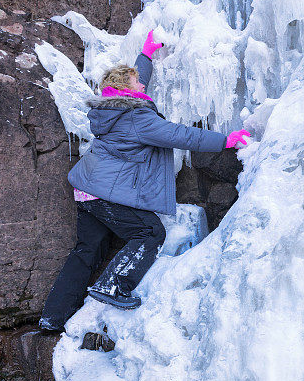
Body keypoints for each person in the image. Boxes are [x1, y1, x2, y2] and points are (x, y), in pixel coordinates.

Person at [39, 31, 250, 333]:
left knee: (86, 251)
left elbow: (136, 84)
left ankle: (53, 316)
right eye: (137, 82)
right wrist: (225, 140)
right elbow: (182, 135)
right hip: (102, 194)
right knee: (150, 232)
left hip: (88, 190)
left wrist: (147, 55)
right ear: (128, 89)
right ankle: (114, 286)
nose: (142, 85)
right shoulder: (138, 118)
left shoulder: (111, 110)